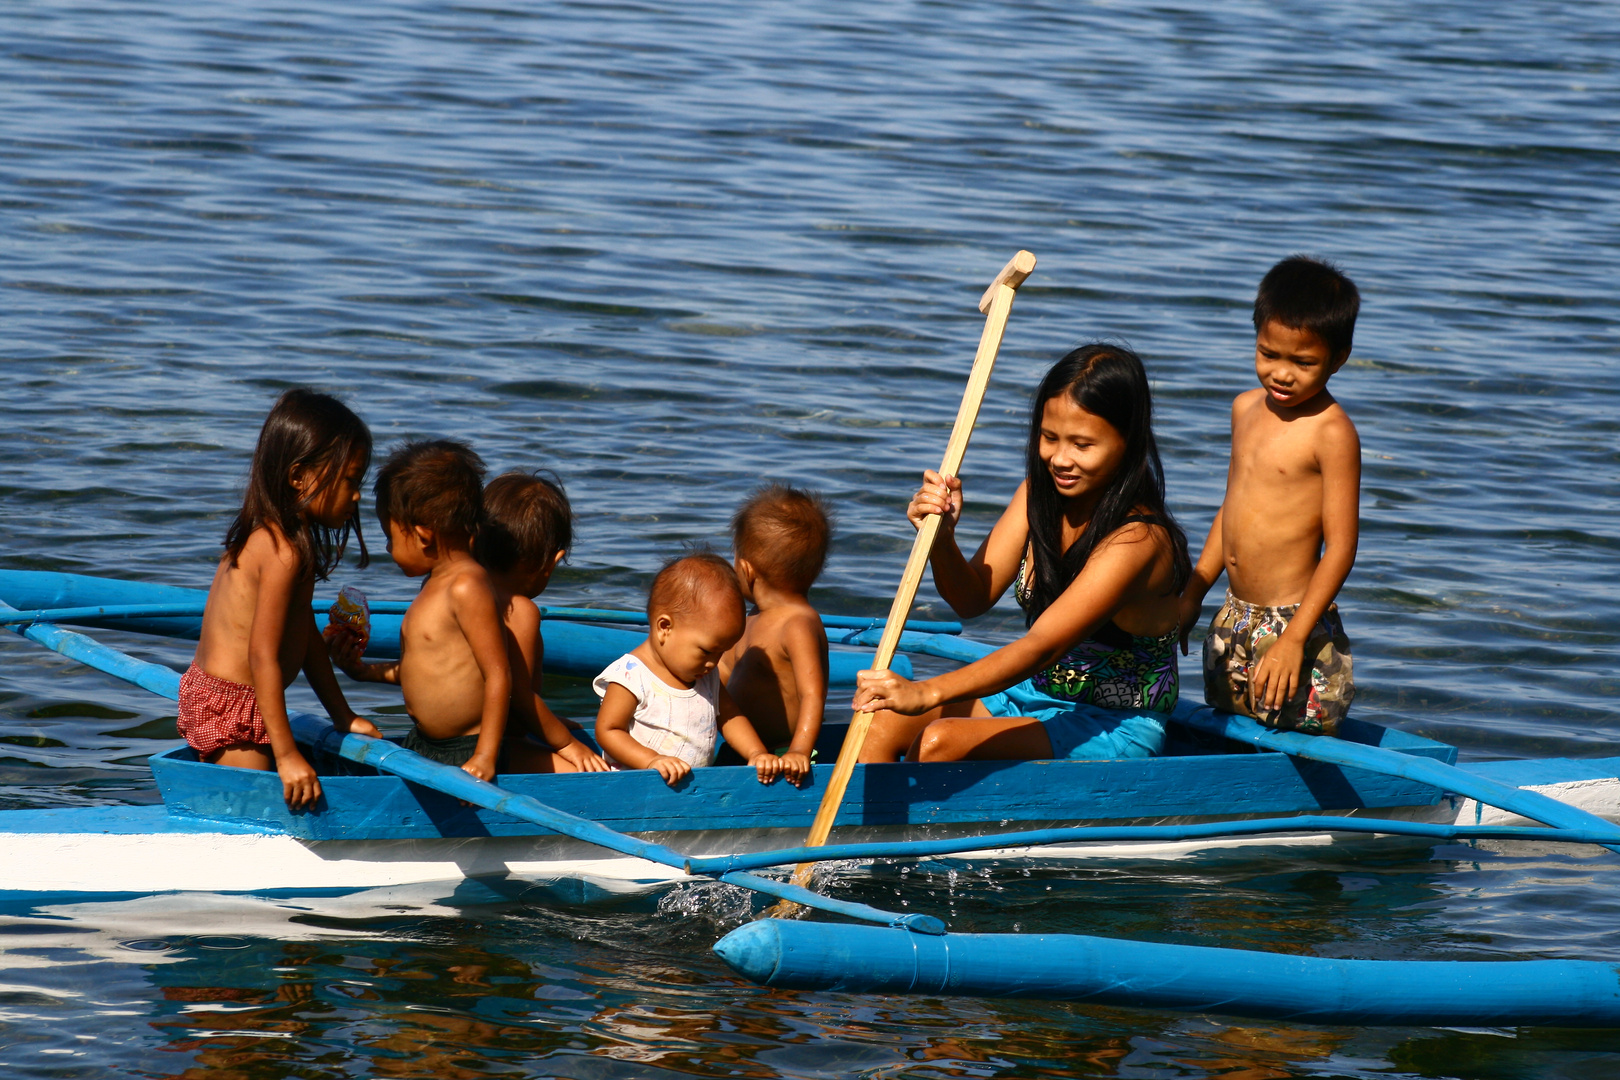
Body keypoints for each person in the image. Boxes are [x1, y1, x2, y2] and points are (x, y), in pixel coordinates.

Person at [852, 343, 1190, 763]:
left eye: (1082, 445)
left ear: (1128, 442)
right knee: (880, 720)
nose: (1060, 459)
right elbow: (971, 597)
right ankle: (857, 828)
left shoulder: (1138, 540)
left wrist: (926, 691)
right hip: (1035, 692)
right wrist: (941, 540)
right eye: (1049, 438)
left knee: (938, 743)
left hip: (1114, 723)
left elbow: (1041, 646)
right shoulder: (1038, 494)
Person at [1178, 256, 1361, 735]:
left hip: (1294, 623)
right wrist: (1194, 591)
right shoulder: (1244, 409)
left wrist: (1296, 636)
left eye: (1303, 362)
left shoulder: (1331, 432)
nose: (1281, 374)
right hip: (1234, 614)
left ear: (1338, 359)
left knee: (1297, 730)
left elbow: (1341, 547)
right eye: (1268, 354)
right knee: (1231, 729)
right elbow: (1232, 509)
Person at [183, 389, 381, 809]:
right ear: (298, 476)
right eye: (350, 480)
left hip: (236, 696)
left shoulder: (290, 541)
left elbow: (305, 634)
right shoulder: (281, 551)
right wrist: (287, 754)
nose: (358, 495)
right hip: (233, 704)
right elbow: (262, 657)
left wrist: (342, 715)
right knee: (249, 814)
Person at [329, 440, 512, 779]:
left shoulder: (466, 586)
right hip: (425, 742)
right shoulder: (434, 583)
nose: (388, 548)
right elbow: (423, 669)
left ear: (422, 534)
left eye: (390, 538)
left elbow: (498, 674)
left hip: (465, 751)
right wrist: (361, 671)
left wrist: (486, 755)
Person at [593, 553, 783, 787]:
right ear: (665, 627)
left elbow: (731, 716)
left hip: (692, 788)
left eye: (721, 652)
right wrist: (652, 760)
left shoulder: (706, 676)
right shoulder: (632, 675)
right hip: (635, 787)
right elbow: (608, 730)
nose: (713, 663)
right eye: (706, 651)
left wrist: (755, 752)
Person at [474, 470, 608, 773]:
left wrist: (545, 720)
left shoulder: (457, 592)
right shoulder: (520, 610)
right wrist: (568, 745)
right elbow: (519, 695)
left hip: (446, 740)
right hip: (487, 748)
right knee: (583, 774)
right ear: (554, 560)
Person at [717, 484, 832, 787]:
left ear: (745, 568)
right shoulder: (751, 618)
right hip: (744, 749)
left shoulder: (797, 623)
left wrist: (799, 750)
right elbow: (720, 679)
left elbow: (812, 693)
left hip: (784, 758)